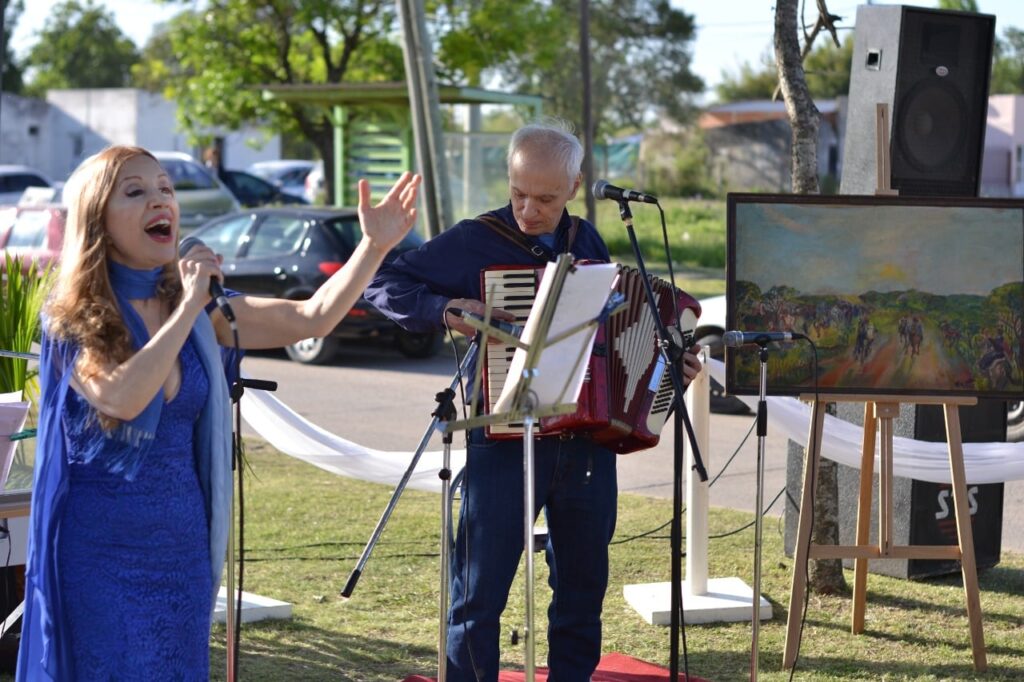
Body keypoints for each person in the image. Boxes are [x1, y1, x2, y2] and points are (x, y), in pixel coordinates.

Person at [17, 145, 420, 680]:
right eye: (135, 191)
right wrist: (187, 308)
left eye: (165, 188)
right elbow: (122, 397)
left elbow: (312, 318)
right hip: (98, 555)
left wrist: (372, 247)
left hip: (182, 551)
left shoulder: (203, 307)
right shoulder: (73, 318)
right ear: (98, 222)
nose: (160, 199)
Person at [365, 120, 702, 681]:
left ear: (574, 187)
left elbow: (619, 337)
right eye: (519, 193)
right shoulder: (475, 239)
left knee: (581, 591)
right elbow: (383, 281)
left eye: (545, 198)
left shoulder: (587, 241)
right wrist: (447, 309)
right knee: (478, 593)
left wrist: (670, 370)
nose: (527, 210)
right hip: (501, 438)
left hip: (585, 443)